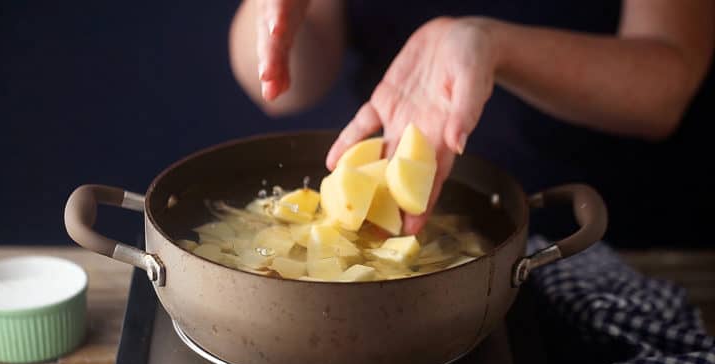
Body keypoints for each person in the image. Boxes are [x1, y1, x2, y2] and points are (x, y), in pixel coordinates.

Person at [229, 0, 715, 247]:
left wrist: (495, 44)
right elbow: (282, 91)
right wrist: (274, 20)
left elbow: (666, 87)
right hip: (408, 213)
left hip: (609, 243)